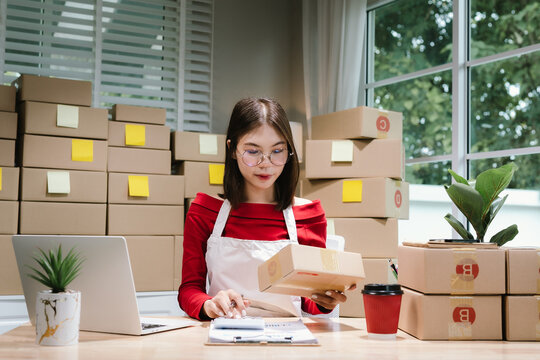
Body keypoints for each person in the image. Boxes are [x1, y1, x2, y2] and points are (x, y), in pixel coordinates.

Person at [178, 97, 354, 320]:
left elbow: (309, 301)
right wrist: (209, 305)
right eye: (253, 152)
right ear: (232, 149)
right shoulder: (204, 211)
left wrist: (326, 301)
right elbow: (189, 290)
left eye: (277, 151)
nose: (266, 163)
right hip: (224, 337)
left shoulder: (309, 216)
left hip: (286, 342)